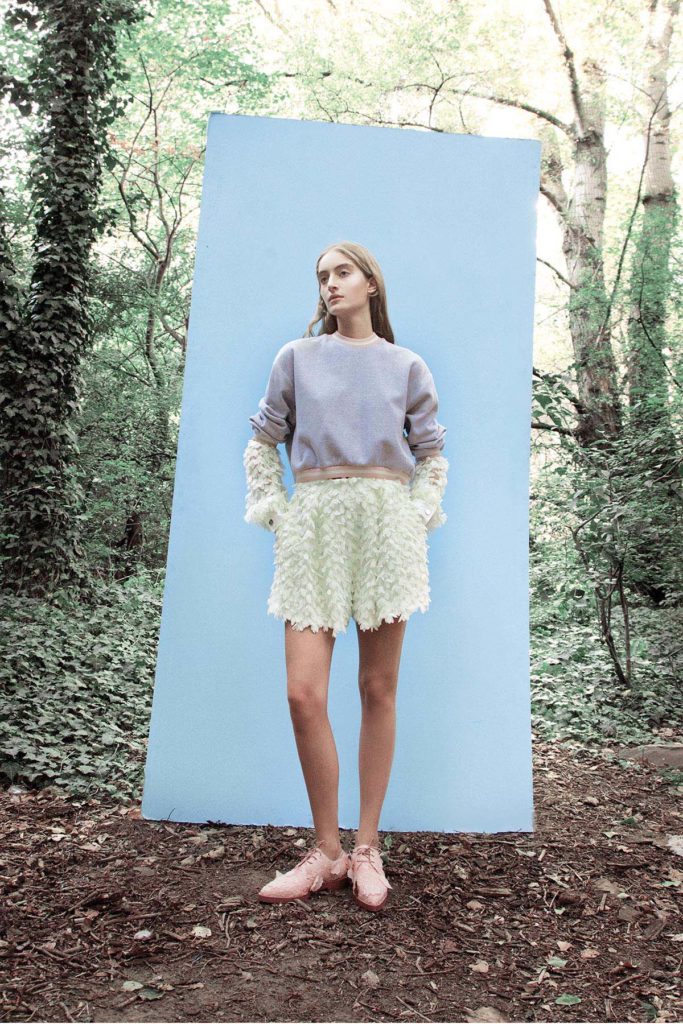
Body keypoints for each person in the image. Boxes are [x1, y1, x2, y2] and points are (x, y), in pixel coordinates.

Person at [243, 241, 448, 912]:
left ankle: (365, 849)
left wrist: (415, 515)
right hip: (316, 526)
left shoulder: (406, 365)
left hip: (386, 528)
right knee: (304, 693)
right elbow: (262, 439)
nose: (330, 284)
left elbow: (431, 454)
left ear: (370, 283)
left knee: (377, 688)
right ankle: (325, 851)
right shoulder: (296, 357)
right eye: (322, 276)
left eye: (342, 272)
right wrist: (276, 509)